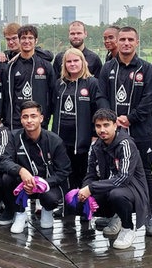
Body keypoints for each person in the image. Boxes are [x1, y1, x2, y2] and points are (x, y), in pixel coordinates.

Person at [96, 26, 152, 236]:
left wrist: (129, 119)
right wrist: (112, 120)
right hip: (114, 132)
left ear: (136, 42)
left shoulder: (147, 69)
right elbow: (101, 96)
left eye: (130, 39)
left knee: (146, 174)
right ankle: (118, 216)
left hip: (140, 131)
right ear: (117, 42)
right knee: (115, 173)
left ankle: (150, 214)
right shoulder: (107, 68)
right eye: (122, 39)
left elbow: (149, 100)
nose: (126, 43)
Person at [77, 108, 149, 249]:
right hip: (109, 187)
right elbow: (91, 174)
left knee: (117, 195)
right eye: (98, 126)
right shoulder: (95, 146)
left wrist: (91, 188)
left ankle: (127, 228)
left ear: (115, 125)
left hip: (133, 189)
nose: (102, 130)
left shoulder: (126, 144)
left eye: (106, 125)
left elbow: (124, 177)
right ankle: (114, 216)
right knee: (78, 202)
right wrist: (85, 190)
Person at [0, 101, 71, 233]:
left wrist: (41, 183)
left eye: (33, 116)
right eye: (25, 117)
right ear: (21, 119)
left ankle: (47, 210)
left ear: (41, 118)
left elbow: (64, 171)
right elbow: (4, 160)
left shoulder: (55, 140)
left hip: (48, 184)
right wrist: (21, 171)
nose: (29, 120)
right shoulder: (13, 136)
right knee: (6, 178)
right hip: (23, 184)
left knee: (50, 201)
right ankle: (20, 214)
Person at [52, 48, 99, 196]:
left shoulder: (92, 83)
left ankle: (84, 208)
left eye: (76, 61)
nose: (72, 64)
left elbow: (97, 111)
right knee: (65, 173)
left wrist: (93, 134)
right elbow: (53, 107)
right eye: (69, 61)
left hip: (82, 140)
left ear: (83, 62)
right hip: (62, 138)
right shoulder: (59, 84)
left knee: (83, 174)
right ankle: (68, 207)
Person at [4, 25, 55, 131]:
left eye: (30, 38)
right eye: (23, 38)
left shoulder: (46, 66)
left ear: (36, 40)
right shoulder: (10, 66)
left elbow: (52, 94)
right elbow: (5, 95)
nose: (27, 41)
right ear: (19, 40)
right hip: (16, 122)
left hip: (38, 122)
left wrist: (46, 115)